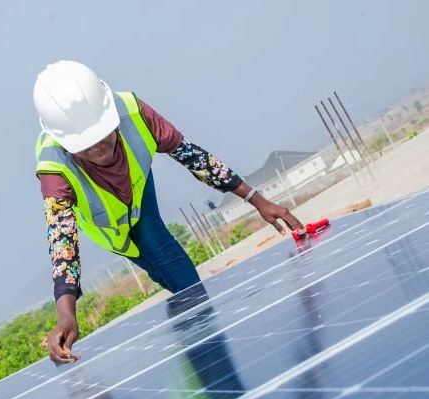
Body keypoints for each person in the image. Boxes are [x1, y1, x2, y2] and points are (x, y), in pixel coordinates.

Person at [32, 60, 304, 364]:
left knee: (175, 266)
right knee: (169, 275)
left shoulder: (132, 111)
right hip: (110, 225)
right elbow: (62, 241)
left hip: (139, 192)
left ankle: (211, 360)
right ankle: (190, 334)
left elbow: (192, 157)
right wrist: (66, 314)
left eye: (102, 134)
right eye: (85, 145)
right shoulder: (53, 168)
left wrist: (257, 199)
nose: (98, 148)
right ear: (64, 143)